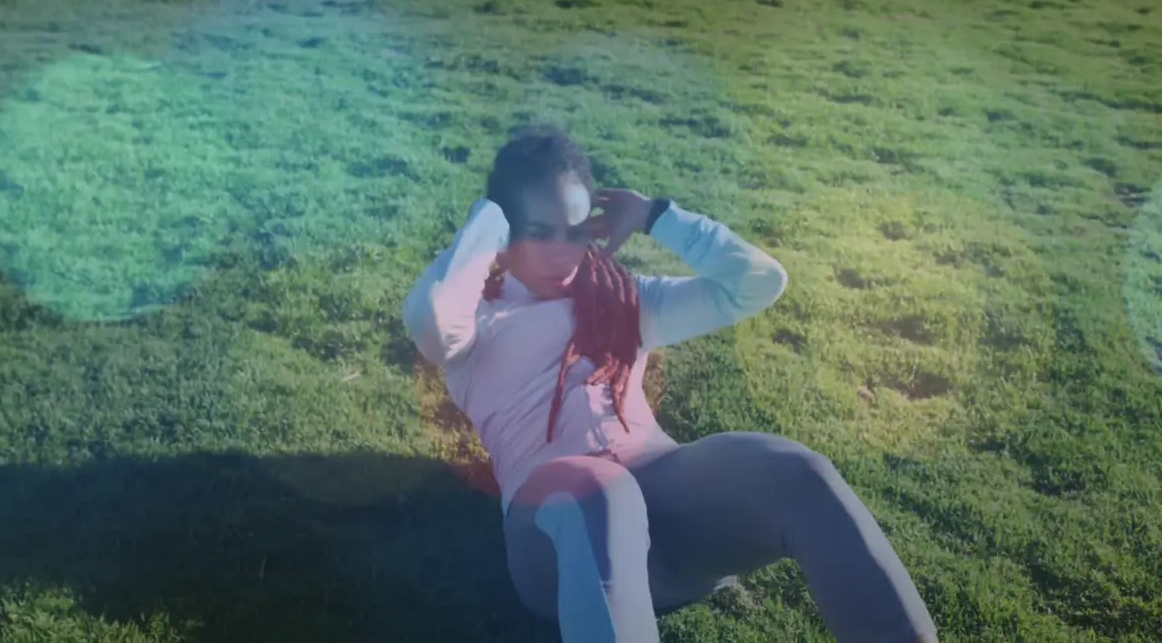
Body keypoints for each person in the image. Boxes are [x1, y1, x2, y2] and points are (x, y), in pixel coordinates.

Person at [401, 125, 938, 643]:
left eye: (576, 231)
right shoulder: (475, 322)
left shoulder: (623, 298)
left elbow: (758, 284)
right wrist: (487, 221)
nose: (561, 252)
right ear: (506, 231)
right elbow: (429, 319)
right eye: (537, 231)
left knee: (797, 470)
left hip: (672, 527)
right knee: (603, 493)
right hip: (559, 538)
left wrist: (658, 216)